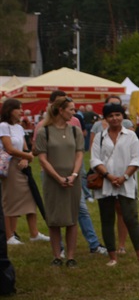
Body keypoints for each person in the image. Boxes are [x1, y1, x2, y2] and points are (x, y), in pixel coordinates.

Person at [90, 102, 139, 267]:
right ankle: (112, 257)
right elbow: (95, 160)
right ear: (105, 118)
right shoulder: (100, 137)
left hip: (126, 183)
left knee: (131, 218)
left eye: (117, 115)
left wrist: (124, 177)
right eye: (110, 116)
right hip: (105, 183)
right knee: (107, 219)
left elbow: (136, 159)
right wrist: (108, 176)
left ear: (123, 116)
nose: (114, 118)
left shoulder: (131, 136)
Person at [33, 96, 85, 266]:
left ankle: (70, 257)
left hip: (73, 180)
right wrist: (58, 178)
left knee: (72, 218)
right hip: (52, 180)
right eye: (71, 109)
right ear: (60, 110)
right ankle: (57, 256)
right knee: (54, 219)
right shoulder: (44, 132)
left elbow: (79, 155)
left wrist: (74, 175)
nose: (74, 112)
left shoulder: (75, 131)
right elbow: (42, 159)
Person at [1, 99, 48, 245]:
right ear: (10, 110)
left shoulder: (19, 128)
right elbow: (9, 148)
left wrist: (26, 158)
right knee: (11, 199)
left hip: (22, 166)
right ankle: (9, 235)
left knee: (30, 198)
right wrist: (27, 156)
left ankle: (34, 233)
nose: (21, 111)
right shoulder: (3, 126)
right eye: (18, 108)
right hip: (9, 166)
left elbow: (25, 148)